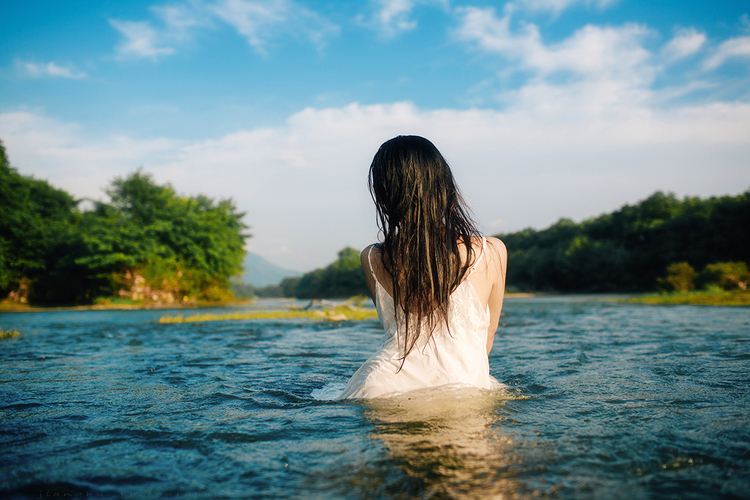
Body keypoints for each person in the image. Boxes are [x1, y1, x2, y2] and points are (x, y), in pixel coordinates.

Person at [337, 135, 507, 399]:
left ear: (384, 195)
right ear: (444, 184)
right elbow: (488, 335)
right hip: (463, 384)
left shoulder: (372, 257)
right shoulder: (492, 252)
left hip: (380, 385)